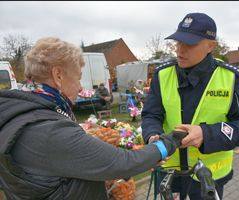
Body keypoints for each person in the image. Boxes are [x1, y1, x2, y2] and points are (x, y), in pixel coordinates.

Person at [0, 37, 187, 200]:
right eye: (78, 78)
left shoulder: (21, 113)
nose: (81, 88)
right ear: (58, 75)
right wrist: (170, 141)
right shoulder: (47, 129)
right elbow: (124, 163)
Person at [141, 13, 239, 200]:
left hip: (208, 177)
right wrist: (151, 135)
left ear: (210, 46)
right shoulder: (162, 74)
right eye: (178, 42)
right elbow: (151, 115)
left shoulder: (230, 77)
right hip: (169, 174)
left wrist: (207, 134)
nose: (180, 50)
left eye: (189, 44)